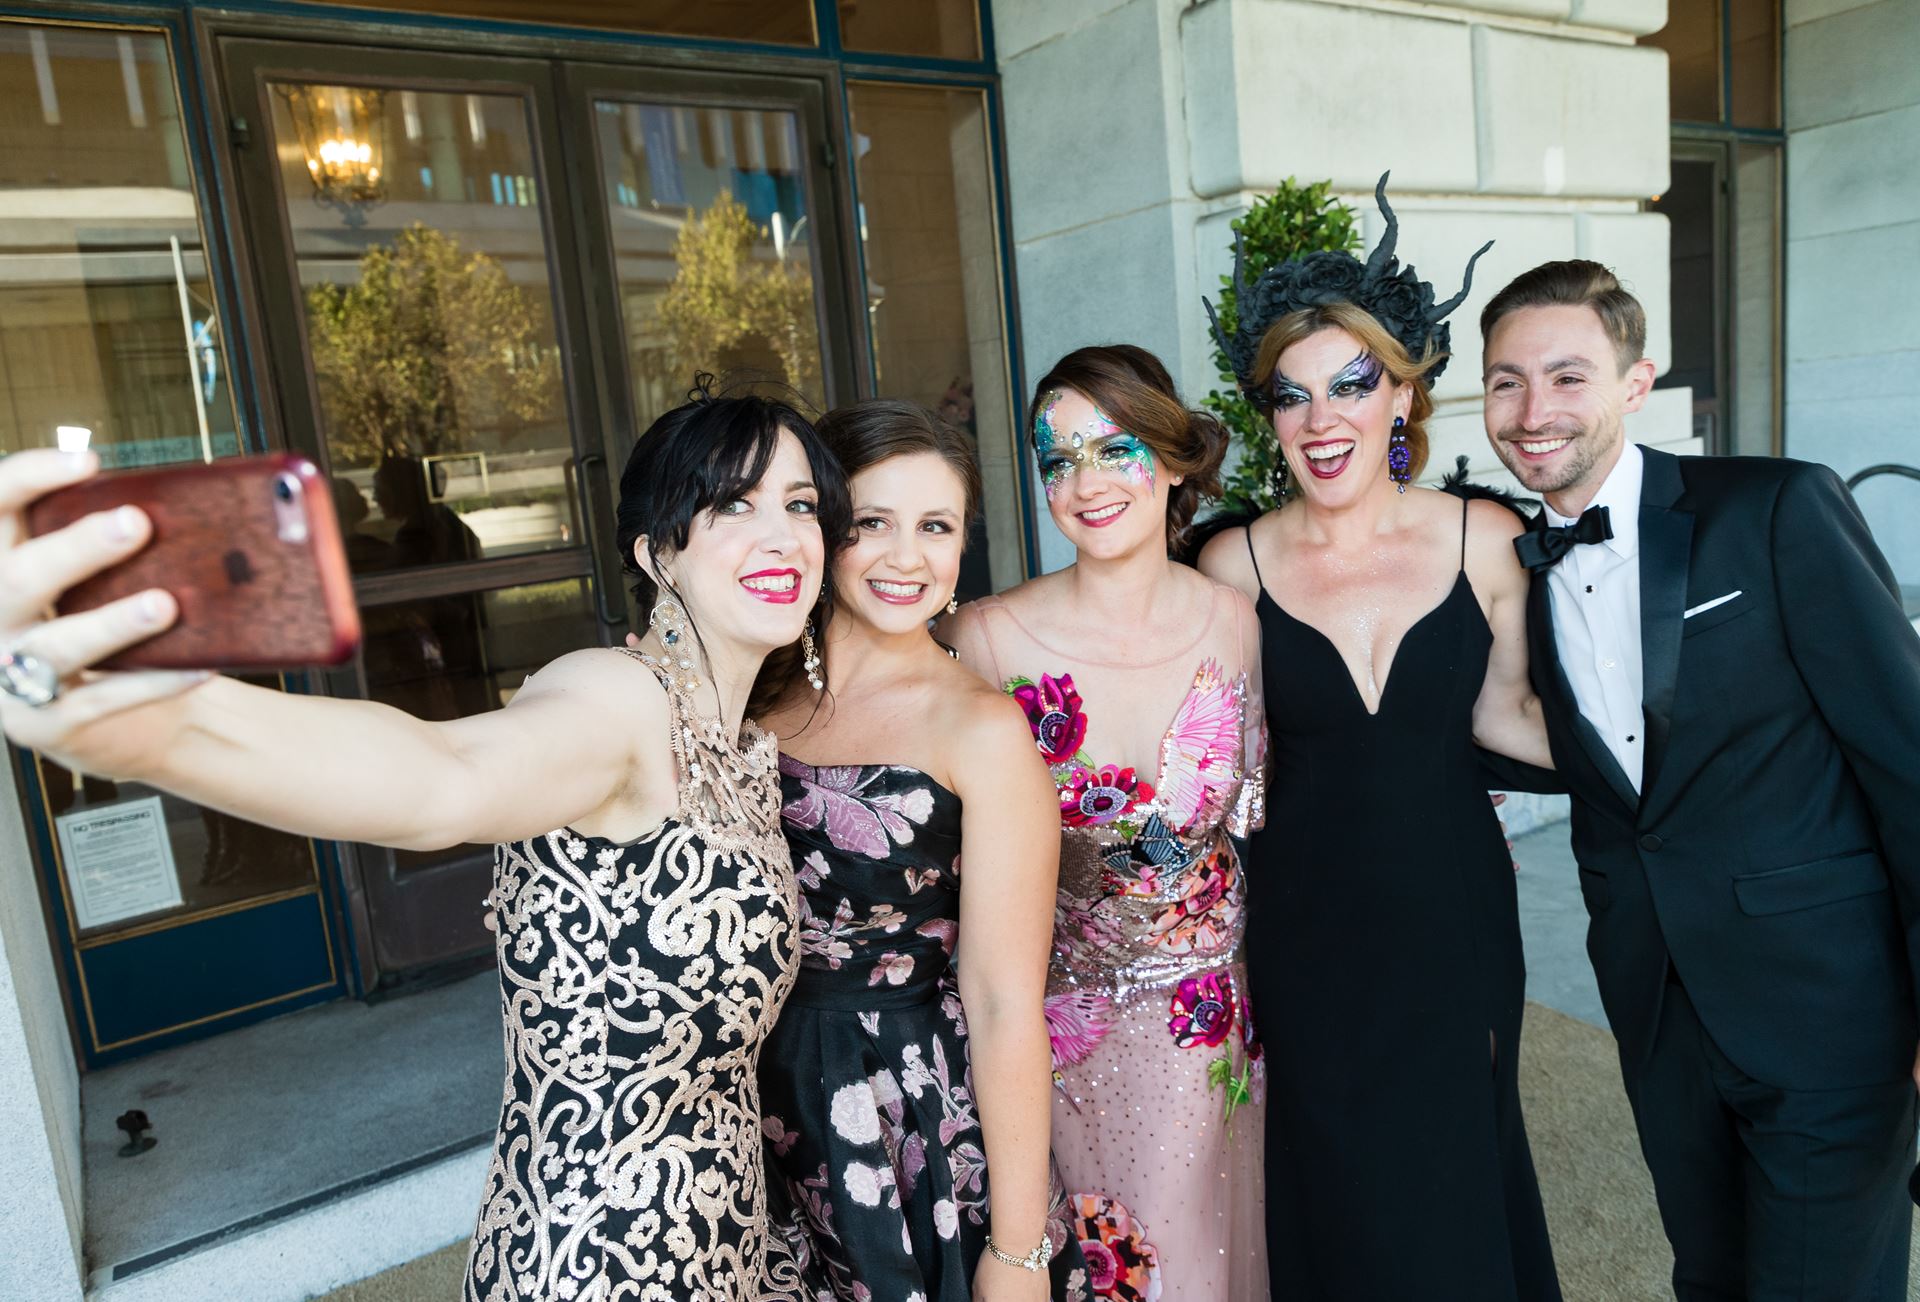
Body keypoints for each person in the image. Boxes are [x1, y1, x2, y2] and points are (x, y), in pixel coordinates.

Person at [0, 388, 851, 1301]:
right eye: (732, 505)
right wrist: (153, 725)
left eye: (801, 505)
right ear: (655, 553)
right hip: (602, 1256)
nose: (781, 535)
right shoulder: (616, 700)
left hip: (733, 1237)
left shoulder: (747, 742)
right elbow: (440, 775)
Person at [1481, 258, 1920, 1301]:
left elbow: (1905, 760)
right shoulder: (1502, 567)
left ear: (1638, 383)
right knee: (1712, 1279)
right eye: (1506, 381)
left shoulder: (1774, 509)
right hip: (1660, 1006)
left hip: (1831, 1007)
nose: (1534, 410)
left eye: (1568, 375)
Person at [1196, 175, 1562, 1301]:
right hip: (1301, 926)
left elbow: (1517, 719)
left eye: (1352, 385)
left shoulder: (1485, 538)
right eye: (1292, 397)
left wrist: (1709, 757)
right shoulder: (1232, 564)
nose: (1322, 420)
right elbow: (1209, 761)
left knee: (1455, 1167)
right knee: (1331, 1176)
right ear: (1269, 417)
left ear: (1403, 397)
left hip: (1451, 916)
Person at [942, 346, 1269, 1301]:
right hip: (1063, 1035)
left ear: (1172, 460)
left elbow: (1247, 813)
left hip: (1213, 1027)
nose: (1083, 483)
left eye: (1113, 448)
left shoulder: (1235, 620)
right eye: (1058, 457)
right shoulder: (986, 639)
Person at [751, 400, 1089, 1300]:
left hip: (899, 1119)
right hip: (745, 1109)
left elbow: (1005, 1000)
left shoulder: (979, 727)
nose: (908, 557)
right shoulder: (750, 687)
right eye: (873, 523)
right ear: (821, 526)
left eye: (936, 526)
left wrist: (1017, 1253)